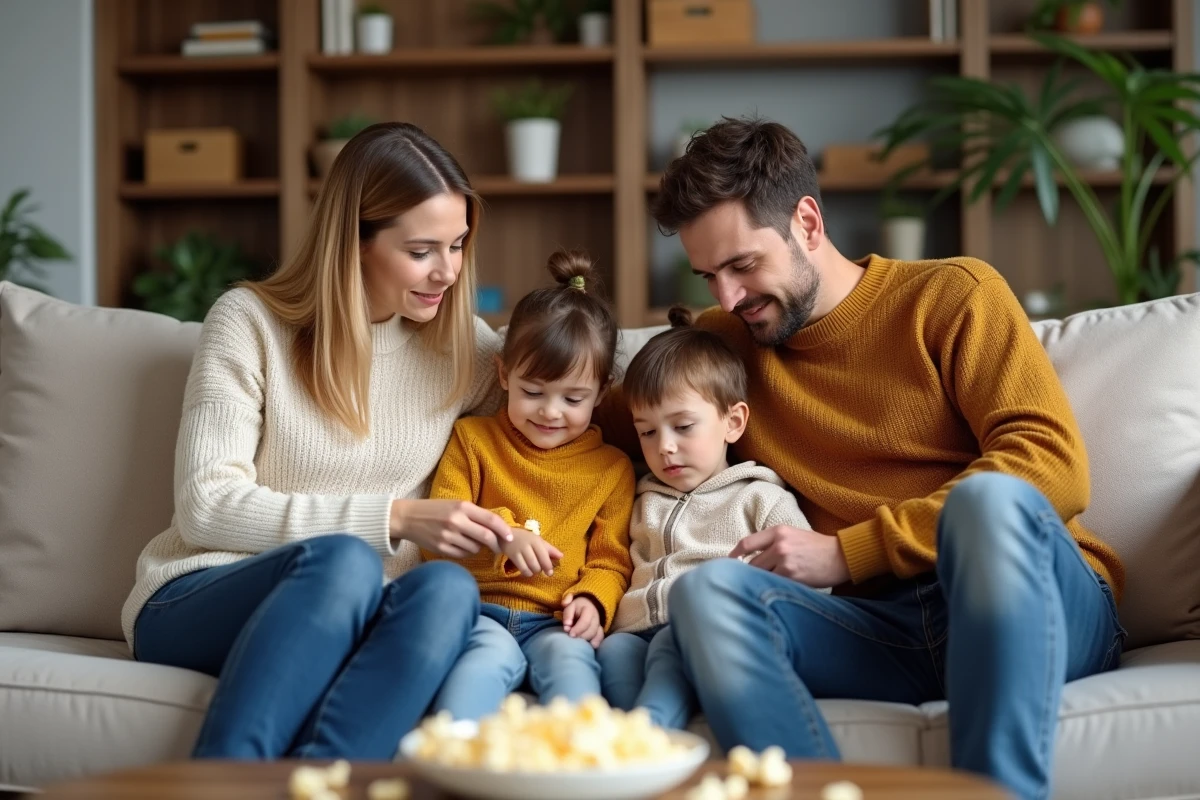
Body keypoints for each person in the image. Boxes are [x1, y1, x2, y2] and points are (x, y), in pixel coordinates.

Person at [614, 116, 1127, 800]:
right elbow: (573, 420)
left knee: (988, 501)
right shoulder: (722, 349)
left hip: (1030, 602)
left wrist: (848, 553)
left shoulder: (952, 296)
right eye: (709, 275)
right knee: (710, 593)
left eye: (743, 265)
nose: (728, 298)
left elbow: (1051, 463)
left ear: (807, 221)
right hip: (876, 630)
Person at [123, 122, 518, 760]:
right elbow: (206, 505)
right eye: (421, 250)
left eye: (459, 245)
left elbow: (571, 407)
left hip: (367, 605)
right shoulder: (249, 324)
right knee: (342, 561)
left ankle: (320, 782)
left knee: (448, 592)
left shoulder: (462, 348)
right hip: (198, 593)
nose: (447, 272)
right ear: (354, 242)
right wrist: (393, 517)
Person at [423, 249, 635, 721]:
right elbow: (439, 529)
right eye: (533, 392)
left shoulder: (611, 469)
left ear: (602, 392)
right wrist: (504, 534)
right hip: (481, 615)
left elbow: (611, 559)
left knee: (575, 677)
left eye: (573, 398)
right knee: (476, 672)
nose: (550, 412)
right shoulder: (472, 440)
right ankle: (456, 764)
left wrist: (592, 601)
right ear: (503, 374)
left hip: (555, 623)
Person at [597, 307, 815, 730]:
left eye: (683, 427)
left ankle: (652, 733)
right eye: (647, 432)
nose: (665, 447)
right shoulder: (639, 498)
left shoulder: (759, 497)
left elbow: (808, 576)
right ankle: (624, 738)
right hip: (632, 630)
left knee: (665, 649)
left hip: (704, 634)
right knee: (611, 654)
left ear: (733, 422)